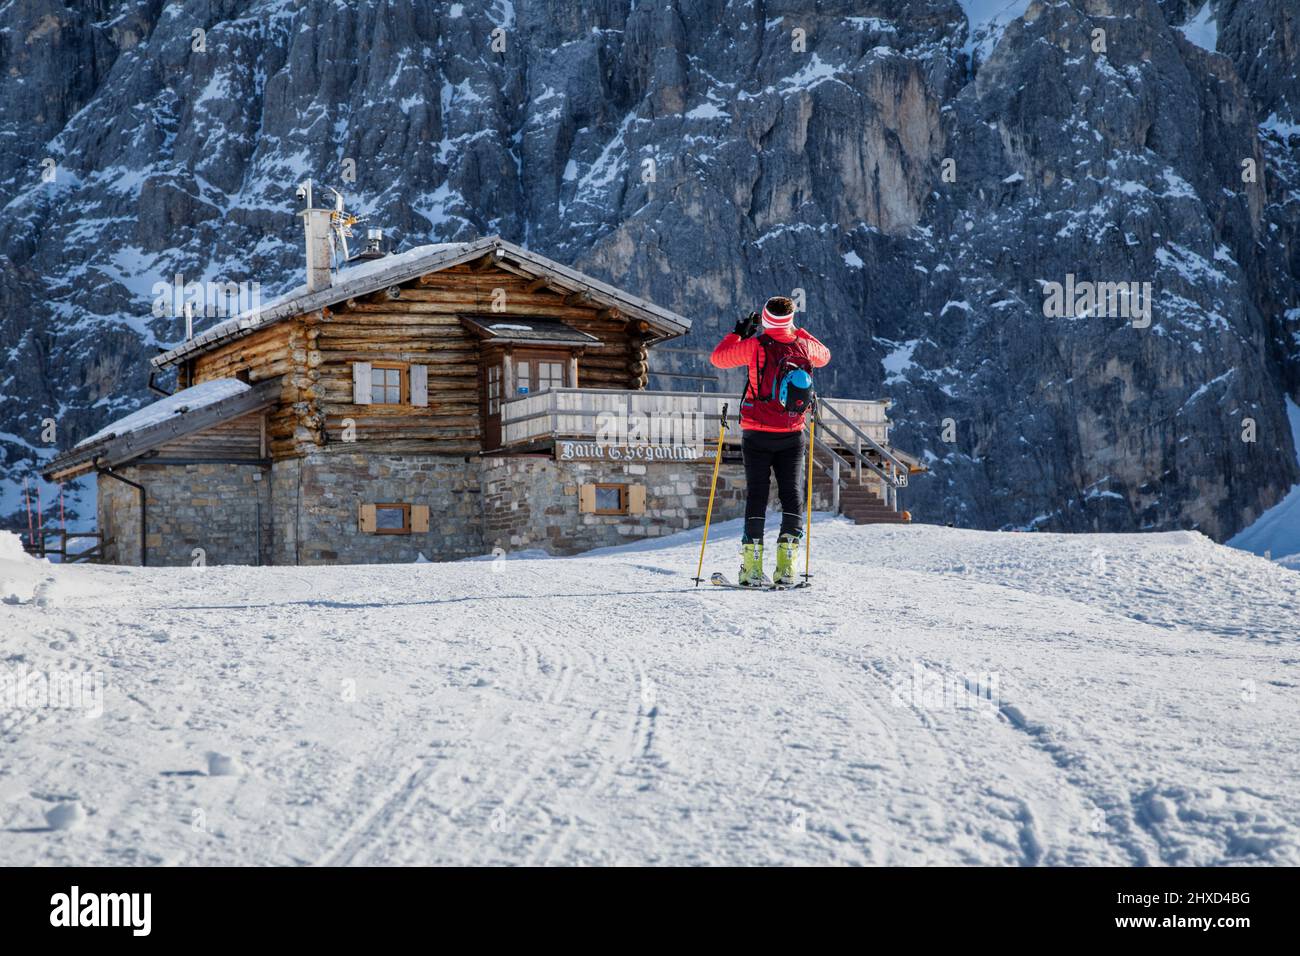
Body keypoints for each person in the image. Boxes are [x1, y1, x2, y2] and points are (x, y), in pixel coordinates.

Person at [710, 296, 831, 586]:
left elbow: (718, 357)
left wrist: (738, 333)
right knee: (792, 494)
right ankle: (787, 569)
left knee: (757, 496)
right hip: (792, 432)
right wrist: (795, 331)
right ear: (789, 320)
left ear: (764, 319)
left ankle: (751, 570)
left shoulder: (755, 345)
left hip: (756, 431)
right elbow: (825, 355)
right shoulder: (804, 346)